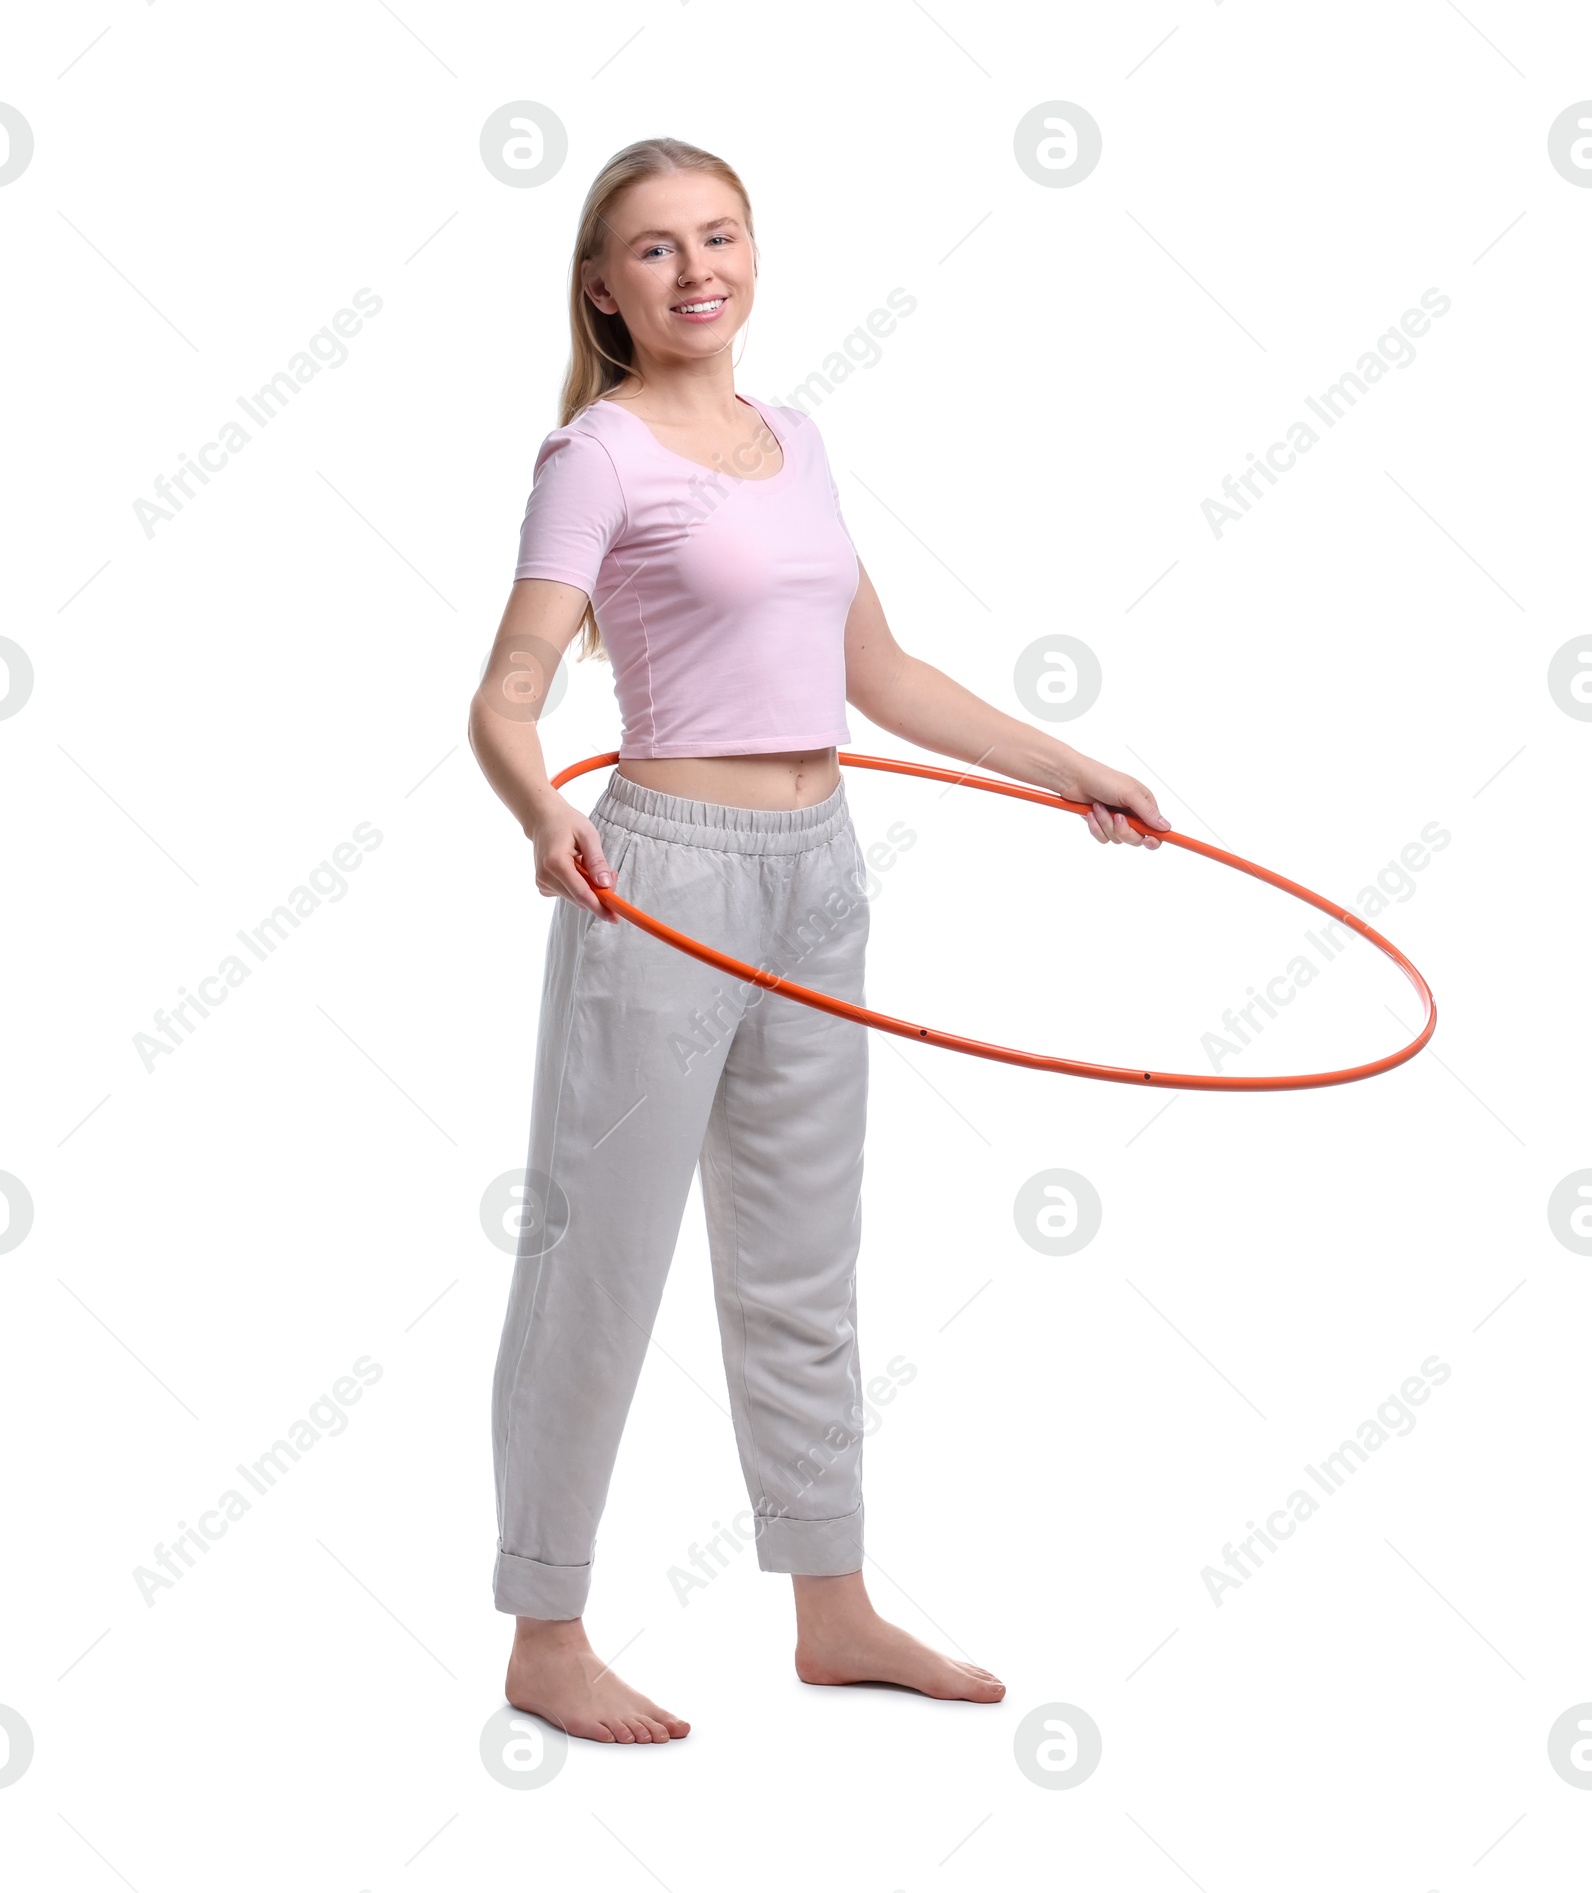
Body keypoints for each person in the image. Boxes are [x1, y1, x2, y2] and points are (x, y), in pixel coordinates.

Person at [469, 136, 1169, 1747]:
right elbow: (508, 692)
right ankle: (546, 1628)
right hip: (659, 878)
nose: (695, 267)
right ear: (605, 287)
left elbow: (887, 676)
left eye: (720, 234)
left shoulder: (799, 439)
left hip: (818, 870)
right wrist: (541, 813)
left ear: (754, 253)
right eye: (654, 249)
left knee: (804, 1259)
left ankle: (832, 1607)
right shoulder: (597, 454)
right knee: (603, 1262)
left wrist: (1077, 771)